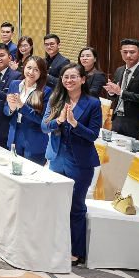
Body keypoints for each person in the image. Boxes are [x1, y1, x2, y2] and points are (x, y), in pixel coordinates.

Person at [41, 63, 102, 267]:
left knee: (76, 206)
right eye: (65, 77)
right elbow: (44, 127)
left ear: (83, 79)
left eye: (74, 77)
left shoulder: (93, 104)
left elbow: (93, 135)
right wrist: (59, 121)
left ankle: (77, 251)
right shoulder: (56, 99)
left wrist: (75, 123)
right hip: (57, 158)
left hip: (80, 162)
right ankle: (57, 244)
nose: (69, 80)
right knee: (57, 204)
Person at [4, 56, 51, 165]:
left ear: (41, 73)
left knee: (32, 172)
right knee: (12, 170)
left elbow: (42, 119)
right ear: (24, 68)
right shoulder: (14, 84)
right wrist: (11, 108)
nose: (31, 72)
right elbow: (6, 109)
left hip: (35, 139)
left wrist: (22, 106)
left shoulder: (46, 91)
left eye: (36, 70)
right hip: (15, 135)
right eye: (29, 68)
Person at [104, 38, 139, 139]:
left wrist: (121, 92)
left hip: (135, 121)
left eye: (132, 52)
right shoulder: (119, 70)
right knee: (114, 147)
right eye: (125, 52)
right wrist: (112, 92)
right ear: (121, 52)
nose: (128, 55)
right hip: (117, 118)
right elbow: (115, 94)